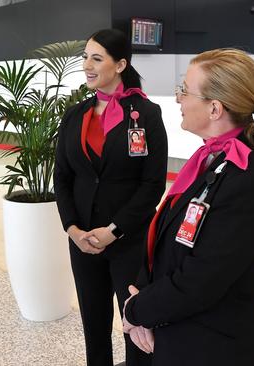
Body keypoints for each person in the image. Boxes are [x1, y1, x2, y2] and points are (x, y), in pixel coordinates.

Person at [122, 48, 254, 365]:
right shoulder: (212, 161)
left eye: (185, 90)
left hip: (216, 348)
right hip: (180, 336)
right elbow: (166, 242)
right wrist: (143, 302)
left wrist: (135, 311)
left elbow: (200, 282)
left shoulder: (249, 181)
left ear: (215, 108)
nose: (178, 98)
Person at [54, 28, 168, 366]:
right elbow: (62, 177)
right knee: (94, 323)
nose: (86, 65)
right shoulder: (75, 116)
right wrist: (73, 229)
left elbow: (152, 185)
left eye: (96, 58)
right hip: (84, 240)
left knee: (136, 325)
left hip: (129, 240)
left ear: (120, 65)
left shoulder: (146, 115)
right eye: (85, 57)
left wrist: (114, 230)